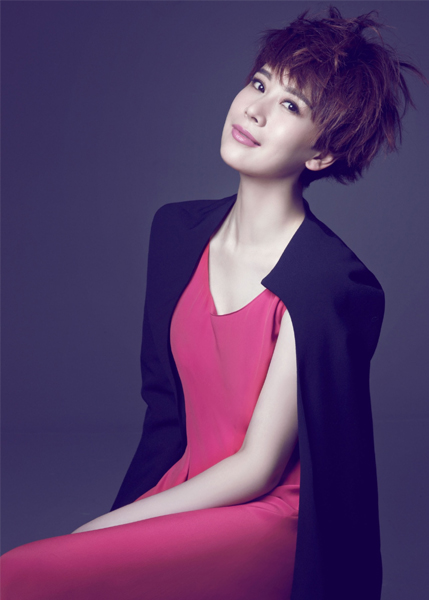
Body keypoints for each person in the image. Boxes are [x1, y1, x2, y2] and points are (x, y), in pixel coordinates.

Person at [1, 6, 426, 600]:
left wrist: (100, 528)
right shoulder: (177, 234)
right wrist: (127, 513)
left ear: (322, 154)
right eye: (260, 83)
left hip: (267, 518)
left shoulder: (328, 281)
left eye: (291, 105)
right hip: (189, 490)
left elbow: (258, 467)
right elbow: (165, 410)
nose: (254, 109)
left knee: (20, 574)